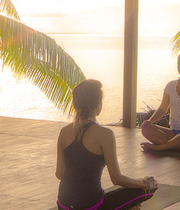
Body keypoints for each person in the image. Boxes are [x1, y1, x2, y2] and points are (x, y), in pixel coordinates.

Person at [56, 79, 157, 210]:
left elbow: (59, 174)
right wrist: (144, 182)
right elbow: (117, 179)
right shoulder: (105, 134)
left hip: (63, 206)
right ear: (98, 107)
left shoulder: (64, 132)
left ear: (75, 106)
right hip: (92, 207)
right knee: (149, 188)